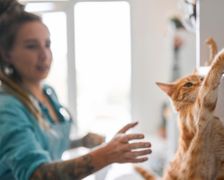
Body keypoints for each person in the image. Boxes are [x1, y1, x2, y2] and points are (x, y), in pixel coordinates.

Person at [0, 1, 152, 179]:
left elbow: (45, 143)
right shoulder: (7, 108)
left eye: (47, 44)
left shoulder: (47, 93)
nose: (44, 55)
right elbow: (36, 174)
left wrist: (81, 141)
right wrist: (105, 155)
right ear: (6, 53)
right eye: (31, 46)